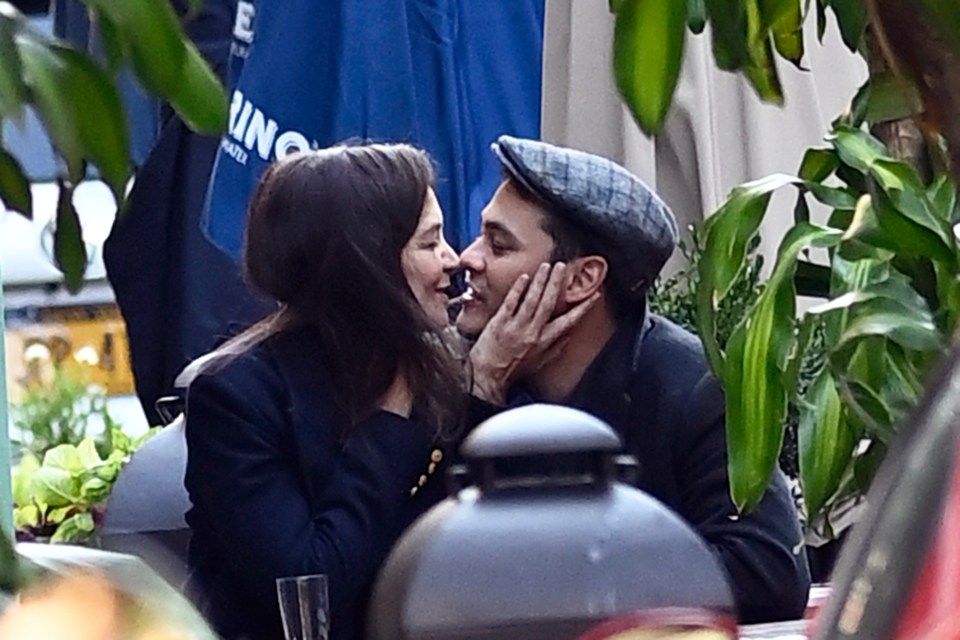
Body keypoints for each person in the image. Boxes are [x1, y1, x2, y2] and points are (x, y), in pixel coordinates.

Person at [459, 136, 812, 624]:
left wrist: (565, 589)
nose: (467, 259)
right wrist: (481, 392)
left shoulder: (690, 388)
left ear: (582, 280)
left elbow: (768, 570)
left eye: (498, 245)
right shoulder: (457, 371)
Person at [183, 143, 464, 640]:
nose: (454, 259)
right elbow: (309, 593)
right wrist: (388, 423)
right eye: (430, 242)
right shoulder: (237, 398)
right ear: (369, 264)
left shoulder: (439, 372)